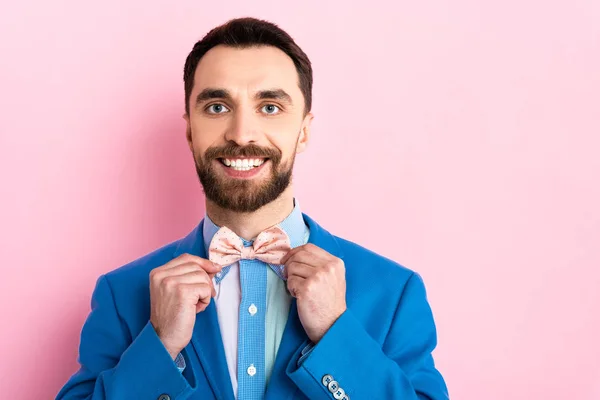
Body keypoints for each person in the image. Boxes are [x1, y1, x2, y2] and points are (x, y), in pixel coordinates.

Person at [56, 17, 449, 400]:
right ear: (190, 129)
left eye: (270, 107)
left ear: (305, 131)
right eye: (216, 107)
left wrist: (336, 335)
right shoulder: (122, 294)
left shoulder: (394, 292)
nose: (242, 134)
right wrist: (158, 348)